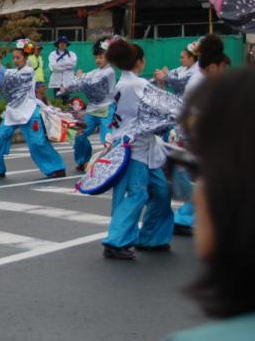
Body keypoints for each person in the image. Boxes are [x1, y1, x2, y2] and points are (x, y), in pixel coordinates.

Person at [98, 65, 255, 341]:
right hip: (140, 150)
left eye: (201, 172)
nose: (196, 190)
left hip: (135, 150)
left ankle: (130, 237)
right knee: (149, 200)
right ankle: (140, 237)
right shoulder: (140, 84)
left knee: (140, 200)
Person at [99, 39, 175, 260]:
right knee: (137, 193)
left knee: (161, 191)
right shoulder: (137, 85)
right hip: (135, 147)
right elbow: (166, 107)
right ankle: (116, 241)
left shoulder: (123, 84)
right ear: (138, 62)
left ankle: (152, 237)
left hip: (141, 146)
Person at [0, 39, 66, 180]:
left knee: (37, 143)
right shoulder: (12, 71)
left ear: (26, 58)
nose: (15, 60)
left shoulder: (28, 71)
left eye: (18, 57)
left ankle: (55, 168)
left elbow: (11, 76)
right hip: (12, 112)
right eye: (14, 57)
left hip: (29, 111)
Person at [165, 34, 227, 237]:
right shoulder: (201, 82)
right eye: (222, 68)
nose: (223, 72)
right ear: (213, 66)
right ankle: (184, 217)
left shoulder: (201, 78)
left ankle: (186, 217)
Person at [56, 37, 115, 172]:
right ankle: (83, 160)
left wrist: (80, 77)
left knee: (107, 138)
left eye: (101, 57)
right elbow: (79, 81)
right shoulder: (95, 72)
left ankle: (112, 163)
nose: (98, 60)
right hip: (92, 110)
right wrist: (65, 88)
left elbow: (93, 82)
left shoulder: (109, 72)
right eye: (97, 57)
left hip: (107, 109)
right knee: (78, 133)